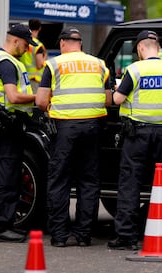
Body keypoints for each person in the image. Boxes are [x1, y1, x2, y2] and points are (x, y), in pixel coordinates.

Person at [36, 27, 112, 247]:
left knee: (59, 180)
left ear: (62, 44)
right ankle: (83, 235)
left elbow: (41, 101)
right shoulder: (99, 65)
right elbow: (107, 99)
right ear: (80, 44)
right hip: (93, 127)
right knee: (89, 181)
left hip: (65, 129)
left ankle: (59, 236)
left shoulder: (54, 64)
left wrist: (54, 105)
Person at [108, 30, 162, 250]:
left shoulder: (135, 70)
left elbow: (117, 99)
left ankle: (126, 236)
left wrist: (116, 89)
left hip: (137, 134)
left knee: (130, 183)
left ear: (141, 48)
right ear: (157, 48)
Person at [0, 23, 37, 242]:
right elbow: (13, 97)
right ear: (15, 40)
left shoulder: (4, 59)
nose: (27, 49)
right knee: (5, 176)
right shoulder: (5, 63)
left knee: (10, 174)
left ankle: (7, 223)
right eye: (26, 45)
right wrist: (39, 98)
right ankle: (0, 228)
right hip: (8, 125)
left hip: (8, 123)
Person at [20, 19, 47, 92]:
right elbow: (39, 64)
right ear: (39, 28)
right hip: (34, 79)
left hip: (22, 78)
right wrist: (45, 56)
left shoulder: (24, 42)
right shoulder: (38, 46)